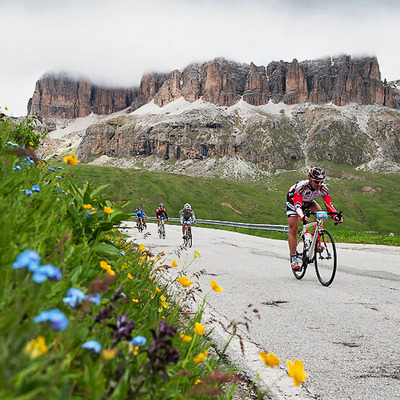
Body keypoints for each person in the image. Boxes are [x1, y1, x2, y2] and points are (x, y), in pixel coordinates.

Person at [286, 167, 343, 271]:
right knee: (294, 228)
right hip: (293, 202)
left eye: (321, 182)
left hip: (308, 202)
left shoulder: (323, 189)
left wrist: (336, 216)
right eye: (316, 182)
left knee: (320, 213)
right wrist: (302, 217)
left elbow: (329, 204)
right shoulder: (301, 188)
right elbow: (297, 206)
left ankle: (316, 238)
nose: (319, 184)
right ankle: (293, 258)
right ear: (310, 179)